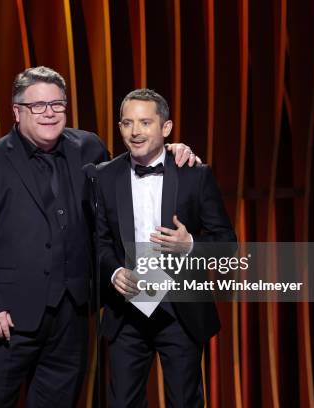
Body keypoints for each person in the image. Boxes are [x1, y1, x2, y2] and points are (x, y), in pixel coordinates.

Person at [0, 67, 198, 407]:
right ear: (17, 111)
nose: (50, 112)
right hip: (9, 317)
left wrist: (172, 150)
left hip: (72, 313)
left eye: (57, 103)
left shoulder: (88, 147)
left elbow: (133, 167)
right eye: (38, 105)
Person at [95, 88, 237, 407]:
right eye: (127, 123)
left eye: (145, 122)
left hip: (180, 311)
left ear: (166, 128)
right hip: (126, 311)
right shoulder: (104, 177)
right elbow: (99, 242)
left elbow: (227, 244)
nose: (135, 131)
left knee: (184, 401)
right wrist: (115, 271)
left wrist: (189, 245)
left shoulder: (195, 175)